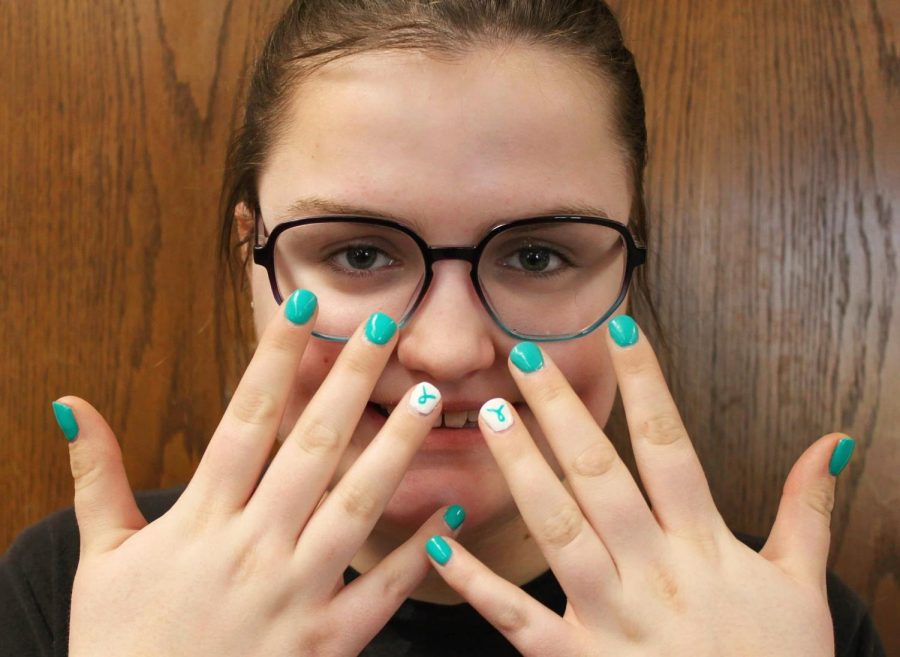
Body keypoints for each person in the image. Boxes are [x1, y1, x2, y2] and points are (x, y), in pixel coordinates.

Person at [1, 1, 885, 656]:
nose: (450, 348)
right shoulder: (83, 589)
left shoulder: (778, 617)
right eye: (357, 253)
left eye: (538, 255)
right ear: (253, 259)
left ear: (629, 267)